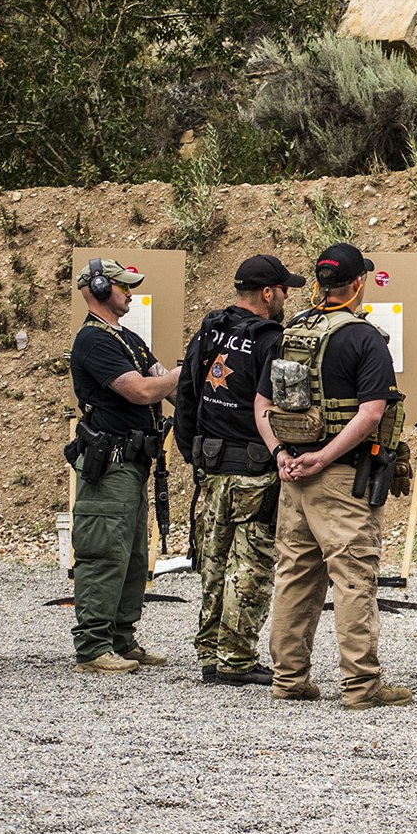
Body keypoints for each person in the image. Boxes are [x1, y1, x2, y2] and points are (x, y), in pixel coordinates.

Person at [256, 243, 409, 710]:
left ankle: (289, 678)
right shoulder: (365, 338)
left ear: (320, 283)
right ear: (358, 283)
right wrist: (322, 458)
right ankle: (361, 686)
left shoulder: (292, 330)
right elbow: (370, 414)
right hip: (340, 479)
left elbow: (261, 406)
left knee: (296, 577)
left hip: (292, 476)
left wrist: (281, 453)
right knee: (353, 579)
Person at [175, 254, 303, 687]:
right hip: (254, 468)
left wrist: (192, 452)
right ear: (268, 293)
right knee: (252, 564)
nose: (286, 297)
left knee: (213, 560)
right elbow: (282, 405)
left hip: (210, 465)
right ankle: (237, 658)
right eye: (284, 289)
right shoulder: (272, 340)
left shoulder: (211, 329)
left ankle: (210, 652)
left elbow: (187, 392)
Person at [67, 258, 180, 674]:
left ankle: (121, 637)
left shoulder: (126, 337)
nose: (130, 292)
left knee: (132, 555)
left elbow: (162, 381)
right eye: (122, 286)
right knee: (103, 554)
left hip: (132, 464)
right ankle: (92, 646)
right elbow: (141, 390)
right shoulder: (93, 341)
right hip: (110, 465)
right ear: (99, 289)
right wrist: (180, 375)